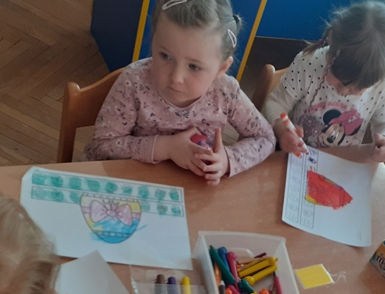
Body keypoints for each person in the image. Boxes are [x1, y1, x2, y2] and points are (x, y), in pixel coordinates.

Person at [85, 0, 275, 186]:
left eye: (194, 66)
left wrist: (226, 159)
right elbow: (101, 146)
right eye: (165, 56)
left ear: (221, 68)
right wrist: (167, 148)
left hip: (192, 190)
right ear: (153, 42)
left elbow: (265, 138)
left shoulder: (226, 92)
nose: (176, 77)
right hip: (129, 183)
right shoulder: (133, 82)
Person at [262, 1, 385, 163]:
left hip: (342, 163)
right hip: (296, 156)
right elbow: (275, 103)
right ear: (331, 42)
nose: (344, 92)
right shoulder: (309, 63)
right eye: (340, 82)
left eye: (358, 89)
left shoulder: (384, 83)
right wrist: (281, 128)